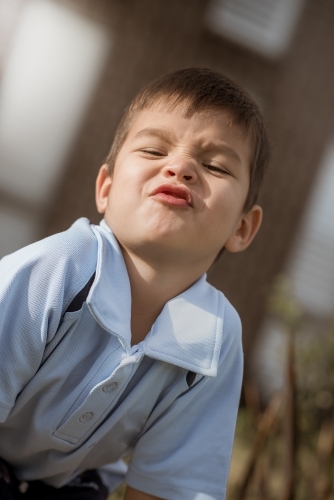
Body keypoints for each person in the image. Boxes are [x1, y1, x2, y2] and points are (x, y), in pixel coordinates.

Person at [0, 68, 269, 500]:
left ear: (242, 227)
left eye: (214, 165)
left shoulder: (214, 339)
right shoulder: (59, 268)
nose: (179, 167)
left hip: (71, 486)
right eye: (153, 149)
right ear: (105, 188)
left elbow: (173, 488)